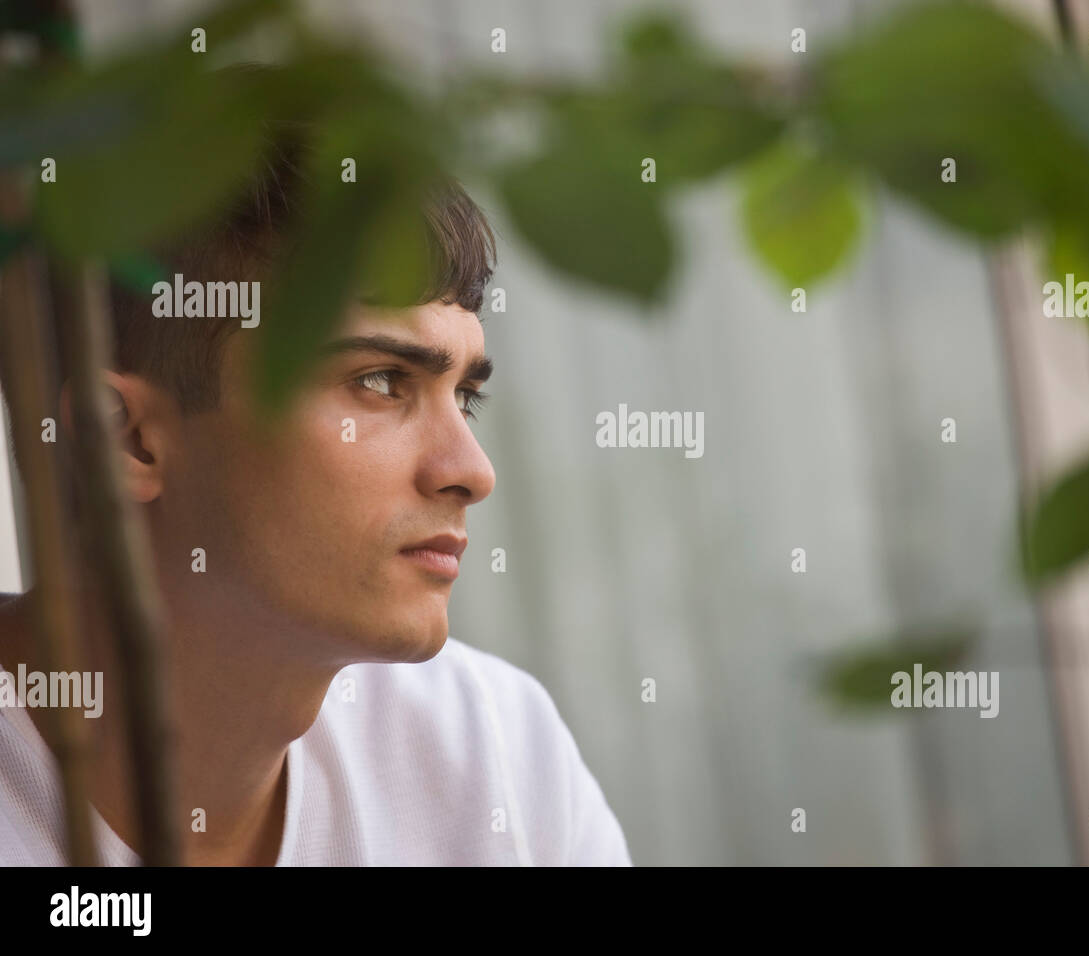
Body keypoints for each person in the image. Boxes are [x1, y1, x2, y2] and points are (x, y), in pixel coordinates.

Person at [0, 124, 632, 866]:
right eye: (379, 382)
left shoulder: (494, 751)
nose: (471, 470)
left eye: (464, 396)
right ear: (128, 442)